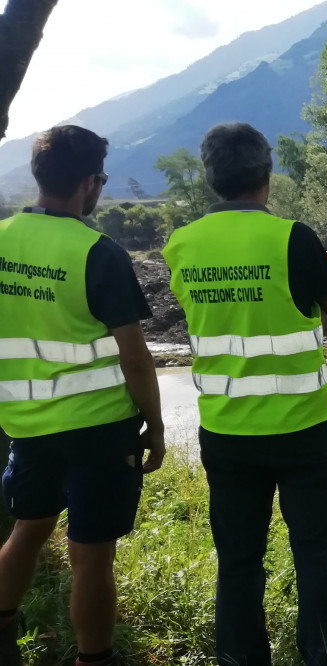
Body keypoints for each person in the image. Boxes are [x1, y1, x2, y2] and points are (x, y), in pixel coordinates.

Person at [162, 122, 327, 666]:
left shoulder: (181, 245)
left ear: (211, 177)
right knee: (316, 557)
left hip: (226, 434)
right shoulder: (293, 238)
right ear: (266, 173)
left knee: (239, 562)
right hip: (303, 433)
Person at [0, 125, 166, 666]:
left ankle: (1, 627)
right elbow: (135, 357)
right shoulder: (98, 252)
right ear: (91, 182)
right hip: (97, 431)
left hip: (25, 424)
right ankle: (95, 659)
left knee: (29, 527)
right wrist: (156, 425)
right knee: (91, 556)